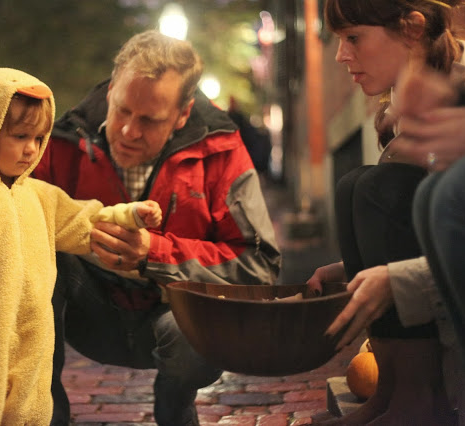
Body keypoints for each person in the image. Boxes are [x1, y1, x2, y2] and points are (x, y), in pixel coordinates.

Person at [33, 30, 281, 425]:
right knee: (27, 246)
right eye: (122, 111)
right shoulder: (63, 139)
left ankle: (175, 403)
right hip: (89, 312)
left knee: (197, 330)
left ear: (182, 114)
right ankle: (47, 416)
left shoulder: (221, 149)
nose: (130, 131)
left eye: (149, 120)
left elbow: (262, 266)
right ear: (113, 89)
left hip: (175, 319)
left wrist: (155, 253)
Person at [0, 67, 162, 425]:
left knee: (30, 411)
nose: (31, 149)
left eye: (39, 138)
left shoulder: (39, 196)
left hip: (31, 340)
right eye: (20, 136)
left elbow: (87, 221)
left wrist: (129, 215)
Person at [306, 0, 465, 424]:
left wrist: (401, 279)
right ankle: (391, 390)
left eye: (353, 38)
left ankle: (420, 399)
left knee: (378, 187)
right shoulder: (408, 93)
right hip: (442, 285)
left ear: (412, 29)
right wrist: (349, 265)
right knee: (357, 184)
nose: (341, 55)